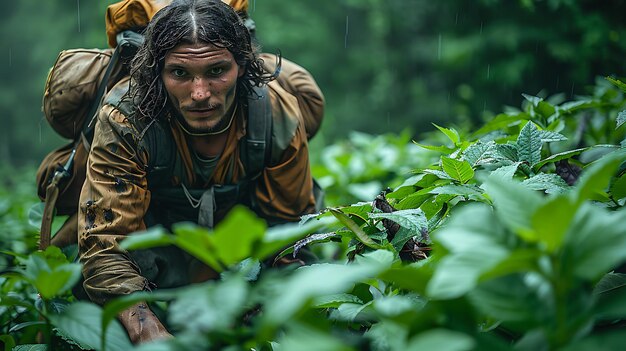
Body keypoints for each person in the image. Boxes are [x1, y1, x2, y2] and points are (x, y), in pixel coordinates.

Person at [77, 0, 324, 343]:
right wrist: (146, 329)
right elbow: (105, 243)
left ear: (242, 65)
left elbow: (290, 231)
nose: (200, 94)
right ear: (157, 73)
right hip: (156, 248)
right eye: (179, 73)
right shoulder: (125, 119)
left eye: (216, 71)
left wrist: (273, 309)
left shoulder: (276, 114)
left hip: (241, 243)